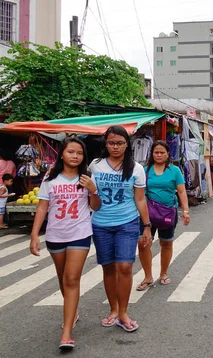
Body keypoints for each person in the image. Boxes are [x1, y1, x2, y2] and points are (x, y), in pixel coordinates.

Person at [29, 137, 101, 350]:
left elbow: (95, 207)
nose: (75, 156)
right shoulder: (50, 178)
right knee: (62, 278)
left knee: (71, 278)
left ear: (83, 157)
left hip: (80, 233)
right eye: (71, 152)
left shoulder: (86, 178)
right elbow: (42, 207)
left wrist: (93, 189)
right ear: (62, 154)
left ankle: (66, 333)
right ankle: (73, 312)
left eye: (79, 153)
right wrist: (35, 235)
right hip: (55, 235)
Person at [89, 125, 152, 333]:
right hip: (101, 224)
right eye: (111, 143)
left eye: (120, 143)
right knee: (108, 267)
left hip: (127, 222)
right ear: (105, 144)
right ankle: (113, 309)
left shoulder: (136, 168)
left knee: (124, 267)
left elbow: (140, 199)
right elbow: (89, 196)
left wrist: (147, 226)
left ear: (127, 144)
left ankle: (123, 312)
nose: (115, 147)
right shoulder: (96, 165)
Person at [136, 141, 190, 291]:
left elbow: (181, 191)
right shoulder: (144, 170)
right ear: (151, 154)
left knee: (166, 243)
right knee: (143, 243)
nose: (159, 155)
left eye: (162, 152)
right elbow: (139, 193)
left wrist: (185, 210)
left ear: (167, 154)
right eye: (156, 152)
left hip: (168, 212)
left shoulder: (175, 171)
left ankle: (163, 273)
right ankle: (148, 276)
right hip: (147, 214)